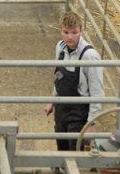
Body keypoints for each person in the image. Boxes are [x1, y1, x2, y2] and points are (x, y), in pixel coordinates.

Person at [44, 11, 104, 151]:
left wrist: (91, 124)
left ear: (81, 30)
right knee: (62, 147)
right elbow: (58, 76)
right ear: (60, 30)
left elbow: (97, 92)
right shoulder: (60, 48)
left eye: (74, 32)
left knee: (74, 151)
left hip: (78, 113)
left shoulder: (89, 56)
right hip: (61, 108)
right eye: (66, 32)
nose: (70, 37)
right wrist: (52, 100)